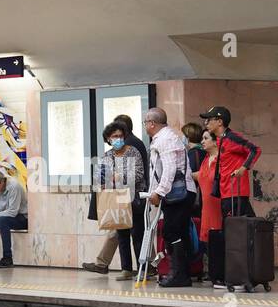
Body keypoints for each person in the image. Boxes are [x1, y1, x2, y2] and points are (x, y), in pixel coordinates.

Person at [82, 122, 145, 280]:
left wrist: (118, 177)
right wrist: (106, 180)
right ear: (108, 139)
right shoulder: (107, 156)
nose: (118, 139)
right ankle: (126, 269)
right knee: (122, 235)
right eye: (114, 136)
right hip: (116, 200)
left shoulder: (133, 152)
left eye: (120, 136)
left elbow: (139, 174)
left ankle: (143, 269)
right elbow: (100, 179)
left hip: (133, 198)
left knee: (137, 234)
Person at [143, 107, 197, 288]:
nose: (145, 125)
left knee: (171, 231)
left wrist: (160, 192)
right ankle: (183, 274)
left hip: (177, 194)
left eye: (146, 122)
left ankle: (178, 274)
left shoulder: (164, 139)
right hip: (181, 192)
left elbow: (170, 168)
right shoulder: (167, 137)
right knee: (179, 232)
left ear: (152, 123)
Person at [200, 106, 260, 222]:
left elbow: (255, 150)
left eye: (209, 119)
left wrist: (243, 168)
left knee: (236, 232)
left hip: (235, 193)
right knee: (231, 231)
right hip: (226, 193)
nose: (206, 123)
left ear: (219, 122)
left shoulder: (232, 137)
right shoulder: (219, 139)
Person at [197, 130, 223, 282]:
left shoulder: (222, 159)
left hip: (219, 205)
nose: (202, 141)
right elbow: (200, 176)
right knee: (207, 240)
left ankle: (220, 274)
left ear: (215, 141)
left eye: (206, 138)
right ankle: (214, 272)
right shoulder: (205, 159)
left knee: (218, 239)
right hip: (206, 206)